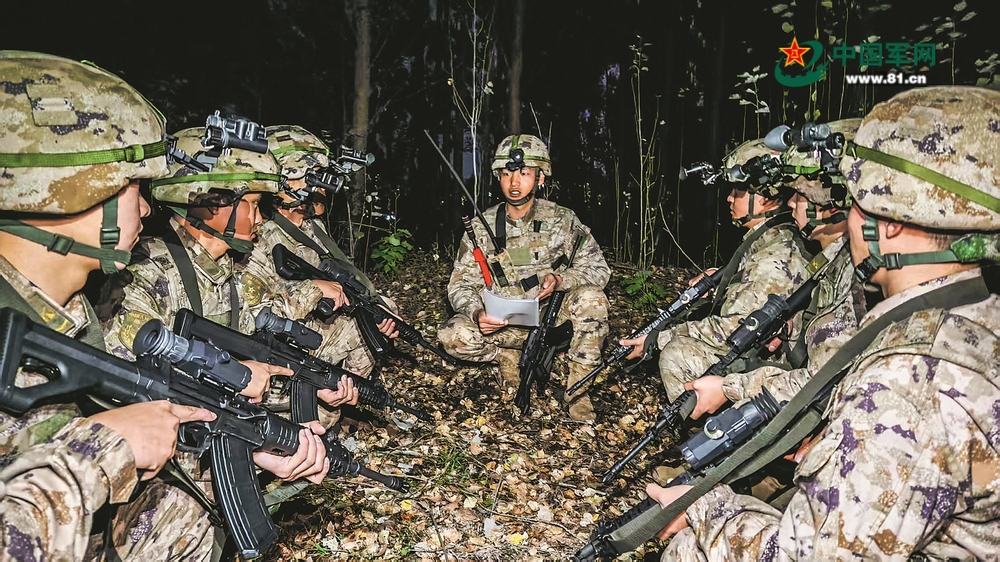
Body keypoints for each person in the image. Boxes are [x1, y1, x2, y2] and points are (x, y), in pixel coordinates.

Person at [650, 86, 1000, 560]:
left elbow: (812, 554)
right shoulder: (973, 316)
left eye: (854, 204)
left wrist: (704, 508)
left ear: (889, 222)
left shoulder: (907, 379)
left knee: (690, 548)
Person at [0, 50, 216, 560]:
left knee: (182, 512)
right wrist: (101, 453)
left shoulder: (69, 313)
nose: (145, 206)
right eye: (131, 185)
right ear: (64, 191)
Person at [98, 126, 337, 498]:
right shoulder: (147, 271)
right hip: (155, 427)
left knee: (314, 420)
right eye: (251, 205)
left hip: (219, 404)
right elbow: (129, 373)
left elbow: (262, 325)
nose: (260, 219)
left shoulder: (231, 267)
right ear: (210, 203)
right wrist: (236, 378)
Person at [686, 119, 867, 421]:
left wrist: (730, 388)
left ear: (833, 207)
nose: (790, 202)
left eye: (801, 197)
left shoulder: (850, 272)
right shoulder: (832, 262)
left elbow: (823, 383)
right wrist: (791, 329)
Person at [621, 139, 812, 402]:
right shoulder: (769, 238)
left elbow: (735, 328)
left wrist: (657, 338)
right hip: (760, 353)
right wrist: (722, 283)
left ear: (767, 198)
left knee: (677, 354)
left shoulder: (775, 254)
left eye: (739, 191)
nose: (730, 197)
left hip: (770, 367)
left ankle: (700, 424)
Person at [438, 134, 611, 421]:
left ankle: (578, 392)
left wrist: (560, 280)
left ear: (540, 177)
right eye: (507, 174)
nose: (514, 182)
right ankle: (504, 356)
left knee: (593, 299)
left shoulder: (562, 220)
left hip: (552, 319)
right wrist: (477, 312)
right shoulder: (480, 227)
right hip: (502, 324)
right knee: (451, 334)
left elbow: (599, 269)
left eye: (524, 173)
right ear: (499, 177)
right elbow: (459, 285)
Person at [236, 124, 396, 381]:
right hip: (279, 343)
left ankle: (348, 390)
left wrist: (370, 306)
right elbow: (255, 315)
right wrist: (314, 291)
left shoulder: (313, 227)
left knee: (378, 313)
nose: (323, 187)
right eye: (314, 177)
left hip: (312, 324)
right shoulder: (258, 232)